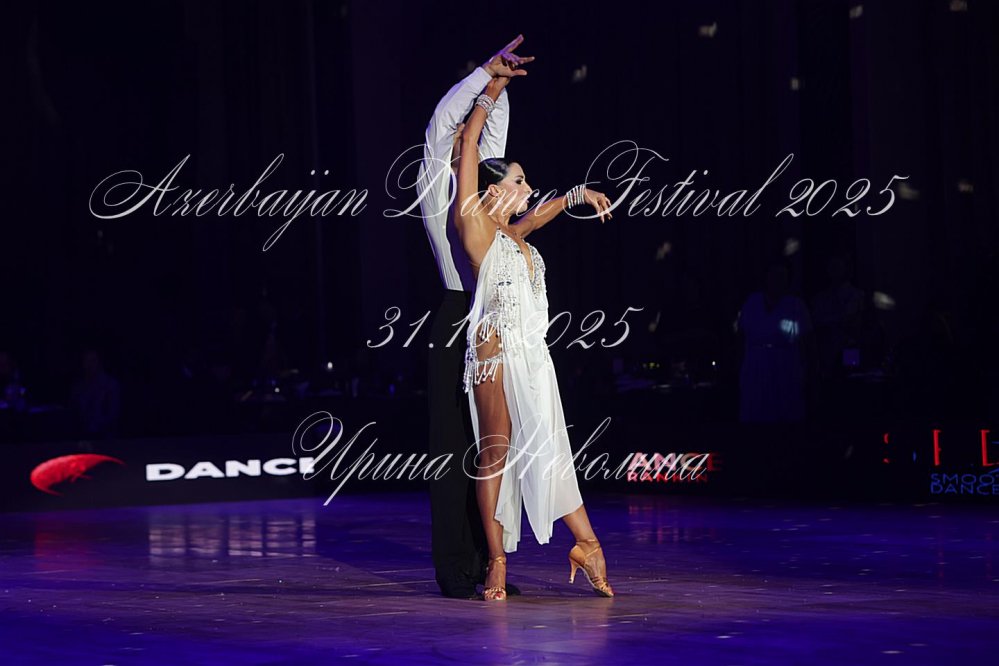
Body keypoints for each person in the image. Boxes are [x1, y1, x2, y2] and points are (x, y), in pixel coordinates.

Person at [453, 47, 617, 601]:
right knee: (496, 456)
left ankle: (586, 544)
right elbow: (468, 147)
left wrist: (577, 195)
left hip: (533, 356)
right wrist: (491, 88)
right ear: (493, 189)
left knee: (551, 450)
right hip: (496, 354)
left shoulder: (513, 234)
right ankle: (498, 561)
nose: (527, 189)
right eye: (519, 181)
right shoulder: (475, 226)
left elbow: (539, 215)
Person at [417, 36, 522, 600]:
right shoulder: (438, 188)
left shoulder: (483, 190)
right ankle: (455, 566)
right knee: (453, 445)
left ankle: (490, 563)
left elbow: (491, 143)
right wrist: (484, 73)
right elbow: (443, 123)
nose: (467, 138)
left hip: (495, 317)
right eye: (464, 133)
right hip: (459, 314)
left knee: (494, 447)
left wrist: (498, 89)